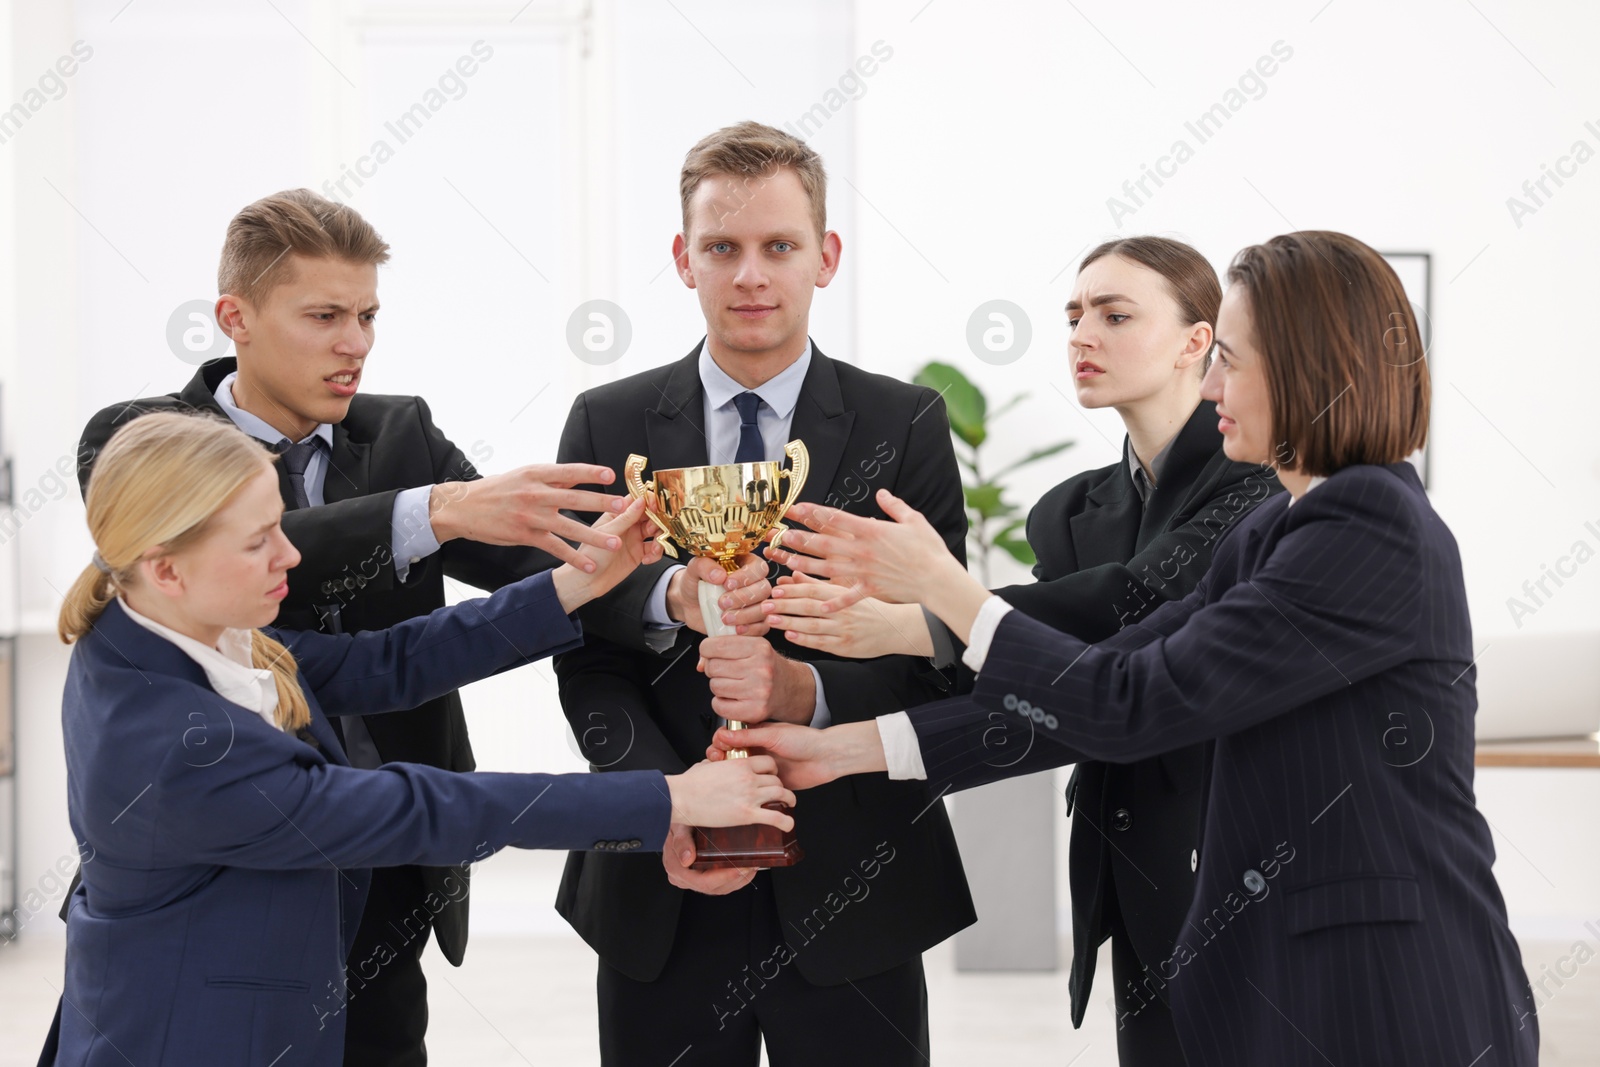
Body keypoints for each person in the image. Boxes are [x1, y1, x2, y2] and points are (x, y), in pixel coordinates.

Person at [720, 231, 1539, 1065]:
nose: (1212, 383)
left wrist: (943, 588)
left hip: (1384, 989)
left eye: (1232, 359)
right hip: (1280, 969)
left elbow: (1130, 705)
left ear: (1310, 371)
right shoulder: (1274, 528)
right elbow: (1109, 681)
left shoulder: (1369, 522)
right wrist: (838, 751)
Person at [72, 189, 681, 1065]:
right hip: (229, 882)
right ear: (233, 318)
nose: (354, 342)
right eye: (324, 315)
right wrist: (433, 510)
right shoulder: (141, 441)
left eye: (366, 315)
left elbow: (438, 630)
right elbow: (315, 563)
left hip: (391, 867)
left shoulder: (401, 429)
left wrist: (669, 596)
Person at [45, 411, 793, 1067]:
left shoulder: (157, 621)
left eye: (279, 523)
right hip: (194, 1038)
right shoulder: (174, 742)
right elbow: (424, 809)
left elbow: (388, 662)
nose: (291, 555)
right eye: (258, 542)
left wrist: (578, 583)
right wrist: (670, 796)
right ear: (166, 566)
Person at [759, 236, 1282, 1062]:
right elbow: (1049, 691)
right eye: (1074, 315)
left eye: (1115, 315)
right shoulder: (1067, 513)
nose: (1081, 334)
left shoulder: (1262, 483)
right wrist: (841, 746)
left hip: (1245, 870)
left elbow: (1135, 608)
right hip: (1133, 875)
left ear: (1197, 342)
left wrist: (918, 614)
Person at [552, 121, 975, 1065]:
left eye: (779, 246)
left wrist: (806, 698)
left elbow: (940, 649)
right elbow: (582, 648)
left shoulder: (903, 423)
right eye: (723, 248)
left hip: (855, 882)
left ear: (825, 257)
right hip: (658, 884)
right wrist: (659, 800)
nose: (751, 274)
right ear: (683, 259)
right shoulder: (608, 421)